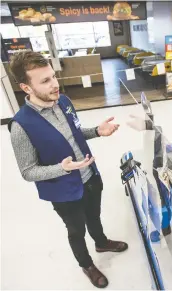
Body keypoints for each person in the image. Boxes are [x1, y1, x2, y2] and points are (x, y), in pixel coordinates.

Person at [8, 51, 128, 289]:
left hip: (90, 176)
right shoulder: (20, 126)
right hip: (63, 192)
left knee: (94, 215)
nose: (55, 84)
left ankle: (102, 242)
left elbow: (73, 134)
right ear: (26, 87)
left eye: (53, 77)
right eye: (45, 81)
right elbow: (28, 171)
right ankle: (86, 264)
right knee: (76, 230)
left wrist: (96, 131)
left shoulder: (63, 101)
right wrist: (61, 169)